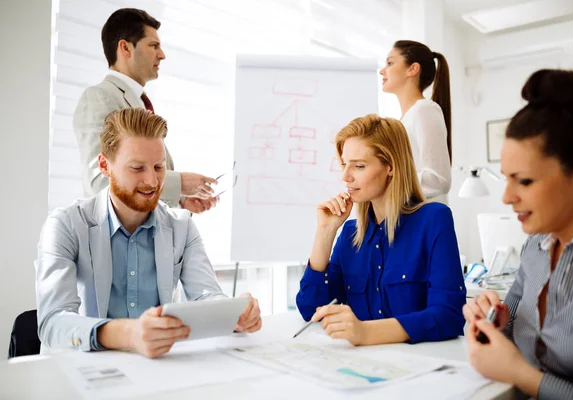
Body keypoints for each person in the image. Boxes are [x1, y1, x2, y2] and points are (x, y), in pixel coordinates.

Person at [36, 108, 262, 358]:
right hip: (85, 371)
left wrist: (233, 314)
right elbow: (53, 322)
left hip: (156, 369)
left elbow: (206, 295)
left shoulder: (182, 226)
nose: (153, 182)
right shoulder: (65, 225)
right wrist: (129, 334)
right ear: (104, 166)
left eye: (158, 167)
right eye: (137, 168)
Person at [463, 70, 573, 399]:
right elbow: (510, 322)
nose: (507, 197)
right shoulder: (535, 248)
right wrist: (492, 321)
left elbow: (521, 370)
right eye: (506, 179)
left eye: (523, 181)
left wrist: (520, 374)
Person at [296, 114, 465, 345]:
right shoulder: (349, 234)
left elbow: (449, 316)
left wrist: (366, 333)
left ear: (391, 167)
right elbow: (311, 309)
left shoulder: (434, 219)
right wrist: (325, 232)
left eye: (359, 166)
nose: (345, 176)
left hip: (420, 365)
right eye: (345, 164)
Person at [73, 8, 215, 214]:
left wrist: (180, 200)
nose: (162, 55)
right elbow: (101, 182)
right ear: (125, 48)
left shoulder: (137, 101)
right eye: (153, 45)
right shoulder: (100, 98)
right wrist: (180, 184)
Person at [379, 40, 452, 203]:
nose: (382, 71)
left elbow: (439, 180)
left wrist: (387, 183)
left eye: (390, 63)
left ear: (412, 69)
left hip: (423, 221)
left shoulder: (424, 109)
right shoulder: (405, 119)